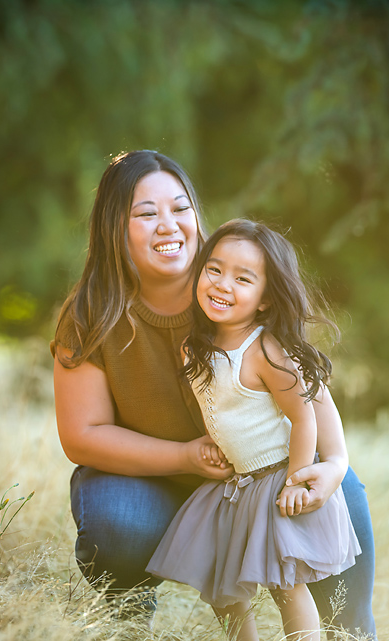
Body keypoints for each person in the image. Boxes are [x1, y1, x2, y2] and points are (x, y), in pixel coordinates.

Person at [51, 150, 376, 639]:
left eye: (181, 208)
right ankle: (126, 625)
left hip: (262, 470)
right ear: (113, 228)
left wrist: (334, 464)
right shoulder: (90, 314)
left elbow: (308, 389)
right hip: (152, 480)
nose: (169, 225)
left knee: (341, 495)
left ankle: (350, 632)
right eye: (146, 213)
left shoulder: (231, 287)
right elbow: (82, 436)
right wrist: (184, 456)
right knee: (118, 520)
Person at [146, 219, 361, 641]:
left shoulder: (265, 350)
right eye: (215, 270)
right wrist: (213, 445)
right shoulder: (197, 344)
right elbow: (221, 407)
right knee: (221, 591)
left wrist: (297, 480)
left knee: (286, 584)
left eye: (243, 279)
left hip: (277, 479)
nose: (223, 285)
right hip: (237, 485)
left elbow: (305, 416)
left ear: (265, 300)